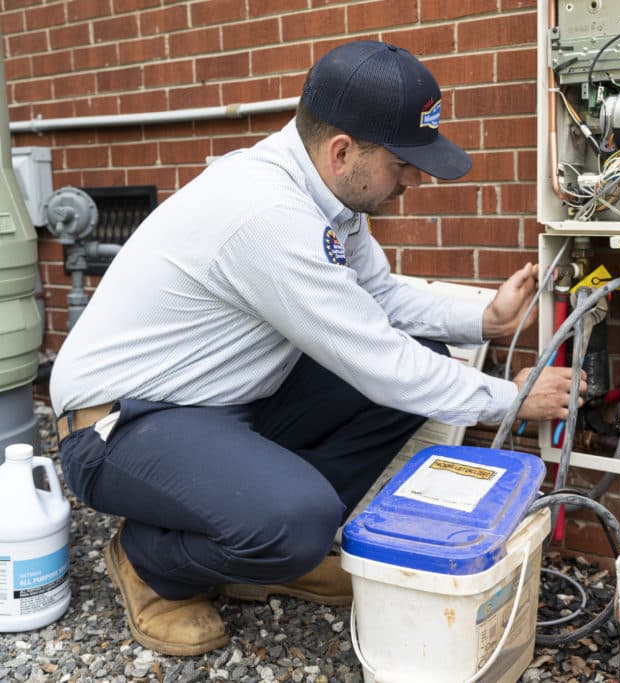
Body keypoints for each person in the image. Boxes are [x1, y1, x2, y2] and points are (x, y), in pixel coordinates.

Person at [48, 40, 583, 656]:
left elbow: (377, 299)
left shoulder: (327, 196)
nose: (415, 180)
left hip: (218, 407)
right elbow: (376, 360)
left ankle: (262, 546)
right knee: (299, 516)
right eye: (404, 164)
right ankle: (152, 562)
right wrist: (509, 399)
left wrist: (483, 320)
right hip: (118, 427)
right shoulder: (267, 214)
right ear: (341, 151)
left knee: (422, 354)